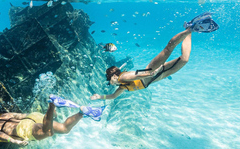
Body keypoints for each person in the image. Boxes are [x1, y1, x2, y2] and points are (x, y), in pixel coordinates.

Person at [90, 12, 218, 101]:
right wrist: (99, 97)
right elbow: (113, 96)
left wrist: (148, 73)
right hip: (156, 77)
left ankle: (189, 30)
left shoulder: (123, 77)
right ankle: (190, 29)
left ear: (113, 76)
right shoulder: (122, 85)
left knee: (168, 49)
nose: (110, 83)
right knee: (184, 59)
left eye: (109, 80)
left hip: (152, 71)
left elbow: (135, 74)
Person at [0, 101, 88, 146]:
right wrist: (43, 118)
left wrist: (14, 141)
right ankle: (82, 112)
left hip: (23, 128)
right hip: (32, 117)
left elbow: (0, 134)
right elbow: (22, 115)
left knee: (49, 132)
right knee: (64, 129)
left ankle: (52, 105)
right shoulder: (4, 115)